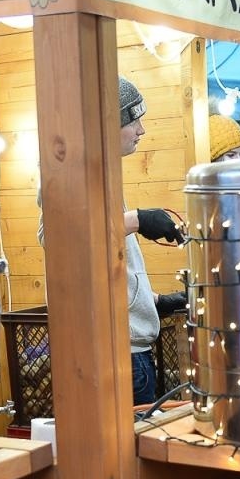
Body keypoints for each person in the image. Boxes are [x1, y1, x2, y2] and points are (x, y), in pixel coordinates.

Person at [40, 76, 184, 407]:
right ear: (106, 125)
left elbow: (99, 262)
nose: (141, 129)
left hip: (128, 351)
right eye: (133, 119)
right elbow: (60, 236)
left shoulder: (98, 172)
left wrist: (155, 301)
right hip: (115, 357)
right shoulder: (69, 170)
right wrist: (137, 220)